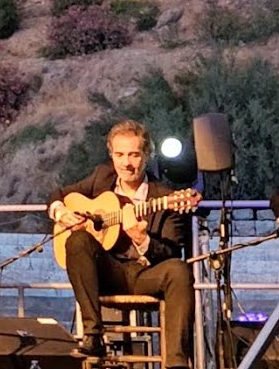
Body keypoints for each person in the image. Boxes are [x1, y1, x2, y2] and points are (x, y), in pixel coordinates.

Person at [49, 120, 198, 369]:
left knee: (179, 270)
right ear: (111, 155)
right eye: (119, 155)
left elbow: (171, 251)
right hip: (107, 272)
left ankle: (176, 363)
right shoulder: (101, 177)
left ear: (147, 155)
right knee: (77, 239)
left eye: (134, 155)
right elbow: (59, 195)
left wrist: (142, 239)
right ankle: (93, 336)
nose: (126, 163)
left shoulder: (166, 197)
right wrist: (61, 212)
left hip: (145, 274)